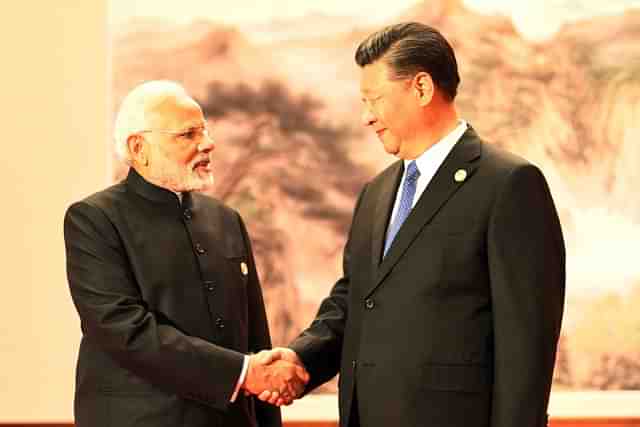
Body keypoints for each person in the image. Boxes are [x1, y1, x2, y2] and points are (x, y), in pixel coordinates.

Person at [261, 22, 565, 427]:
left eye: (375, 100)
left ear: (421, 88)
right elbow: (356, 299)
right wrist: (302, 357)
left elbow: (527, 344)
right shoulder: (377, 191)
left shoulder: (509, 184)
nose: (367, 117)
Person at [64, 80, 308, 427]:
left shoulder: (226, 219)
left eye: (204, 131)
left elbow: (254, 334)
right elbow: (124, 330)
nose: (208, 144)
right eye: (188, 134)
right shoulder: (94, 219)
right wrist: (243, 373)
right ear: (139, 147)